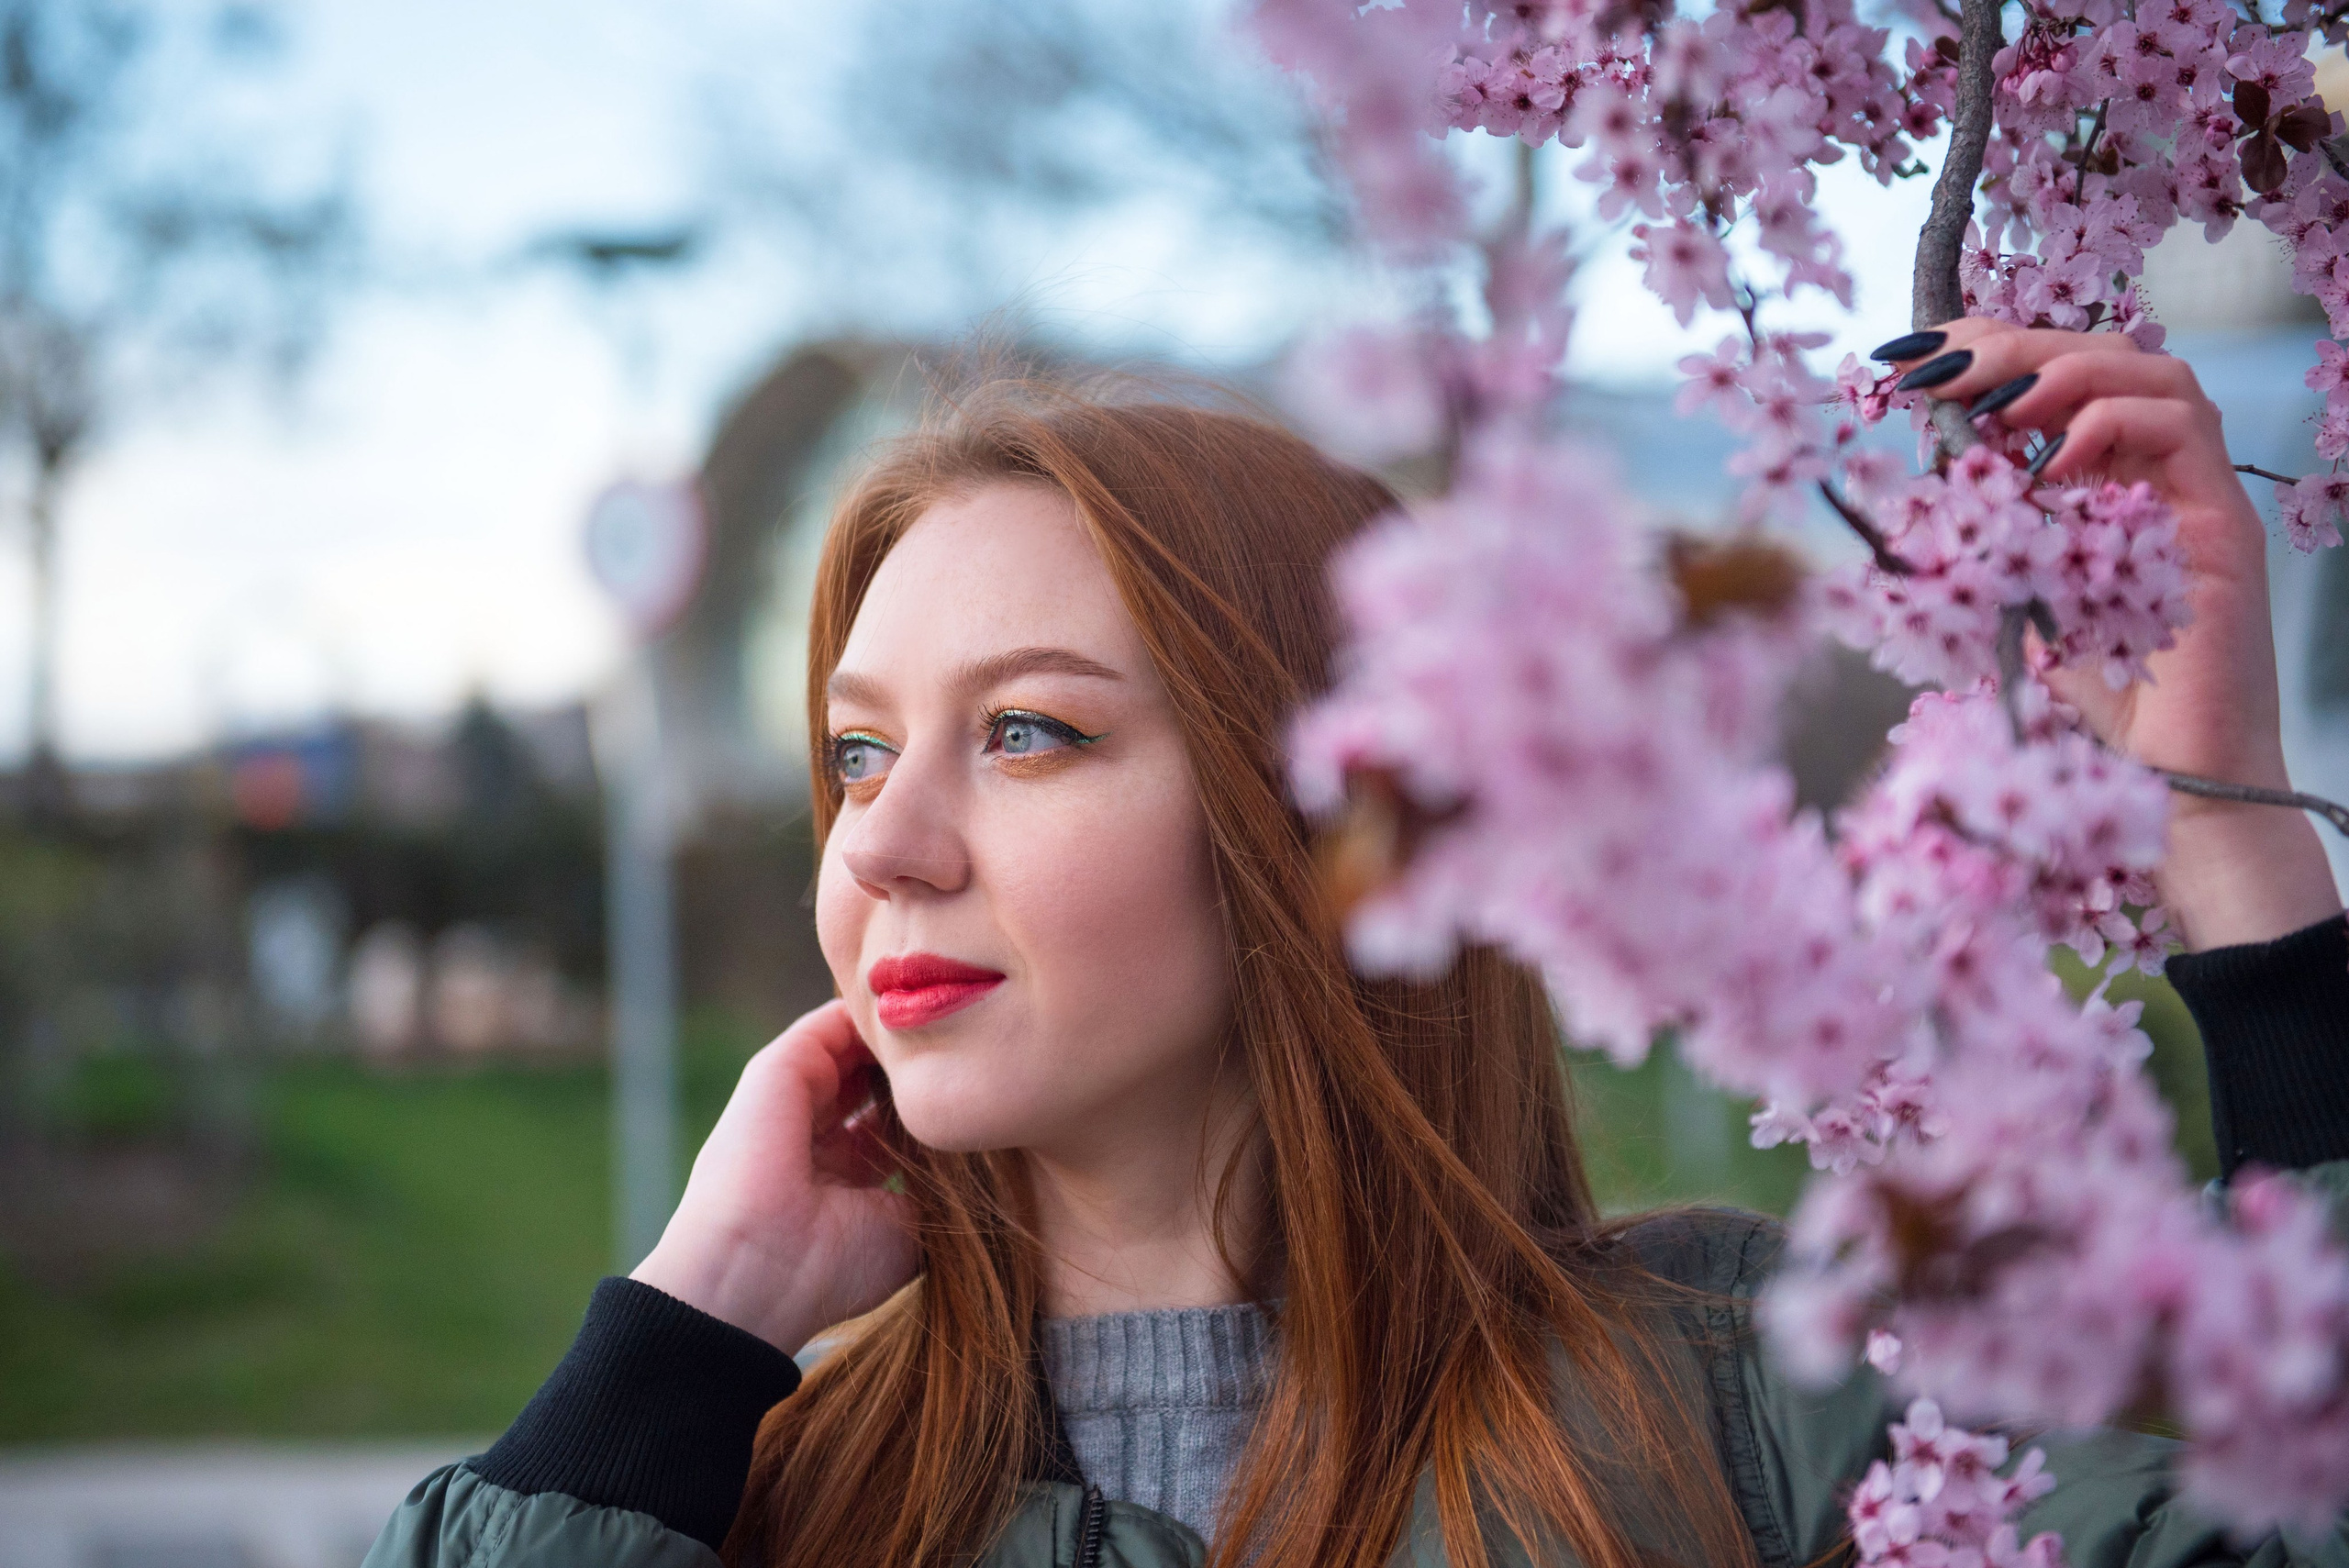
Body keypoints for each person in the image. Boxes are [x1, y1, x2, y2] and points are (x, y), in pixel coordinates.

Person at [365, 322, 2349, 1568]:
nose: (880, 839)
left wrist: (2224, 839)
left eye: (1028, 731)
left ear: (1327, 816)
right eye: (854, 750)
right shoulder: (742, 1492)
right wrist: (692, 1322)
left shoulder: (1747, 1414)